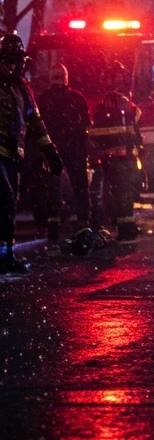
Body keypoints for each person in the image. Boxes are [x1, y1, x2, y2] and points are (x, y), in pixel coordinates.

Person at [0, 35, 61, 272]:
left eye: (18, 61)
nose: (15, 66)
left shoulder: (22, 88)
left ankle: (5, 255)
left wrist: (50, 151)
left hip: (13, 156)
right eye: (10, 61)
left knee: (9, 205)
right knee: (4, 198)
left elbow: (35, 121)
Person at [88, 61, 144, 241]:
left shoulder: (101, 107)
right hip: (125, 157)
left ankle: (115, 225)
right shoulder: (127, 105)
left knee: (110, 194)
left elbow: (95, 133)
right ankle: (126, 228)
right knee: (124, 194)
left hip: (109, 158)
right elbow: (136, 124)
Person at [36, 64, 92, 242]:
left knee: (54, 187)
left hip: (55, 150)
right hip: (70, 149)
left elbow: (36, 126)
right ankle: (82, 223)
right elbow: (86, 126)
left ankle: (54, 226)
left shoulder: (43, 99)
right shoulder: (76, 98)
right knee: (77, 186)